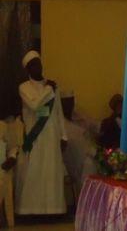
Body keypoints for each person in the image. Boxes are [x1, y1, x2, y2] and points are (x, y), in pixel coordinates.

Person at [16, 50, 67, 215]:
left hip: (52, 135)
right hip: (35, 137)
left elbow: (58, 112)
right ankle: (31, 211)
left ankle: (53, 210)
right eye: (33, 65)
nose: (37, 67)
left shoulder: (52, 86)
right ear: (28, 70)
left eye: (38, 64)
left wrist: (63, 136)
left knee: (51, 172)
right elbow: (35, 105)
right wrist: (48, 89)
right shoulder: (24, 87)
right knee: (35, 172)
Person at [61, 92, 96, 195]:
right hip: (71, 163)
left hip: (88, 160)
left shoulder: (80, 117)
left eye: (71, 102)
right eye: (66, 103)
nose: (69, 106)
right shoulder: (60, 124)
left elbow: (95, 127)